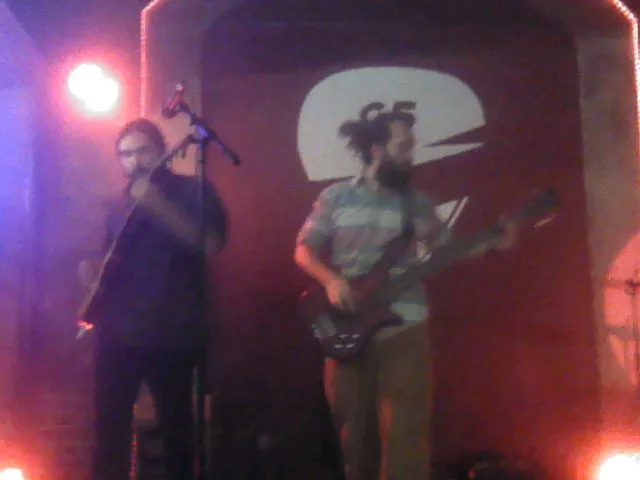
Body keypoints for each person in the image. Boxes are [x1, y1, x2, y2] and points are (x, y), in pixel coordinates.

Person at [294, 102, 515, 480]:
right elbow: (304, 250)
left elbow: (447, 249)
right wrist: (331, 280)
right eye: (403, 146)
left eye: (411, 146)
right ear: (377, 150)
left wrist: (493, 242)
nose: (411, 154)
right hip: (348, 331)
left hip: (406, 328)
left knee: (406, 438)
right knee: (353, 440)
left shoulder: (416, 202)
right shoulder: (336, 197)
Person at [77, 118, 228, 480]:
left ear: (161, 151)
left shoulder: (194, 190)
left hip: (173, 331)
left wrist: (159, 206)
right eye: (125, 154)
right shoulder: (118, 204)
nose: (134, 160)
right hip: (117, 332)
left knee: (177, 432)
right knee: (108, 432)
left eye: (142, 150)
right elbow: (108, 261)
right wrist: (91, 274)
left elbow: (210, 245)